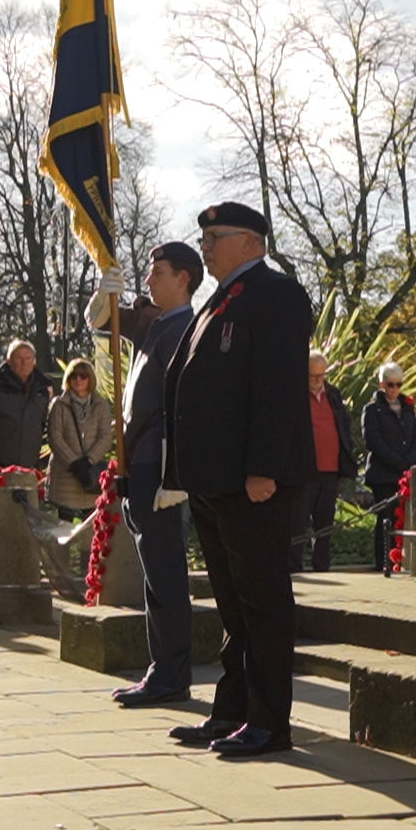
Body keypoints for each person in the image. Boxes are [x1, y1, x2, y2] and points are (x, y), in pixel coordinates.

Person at [162, 203, 313, 756]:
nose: (204, 245)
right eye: (201, 235)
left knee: (262, 599)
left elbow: (277, 389)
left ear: (252, 243)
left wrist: (264, 468)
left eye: (214, 236)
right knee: (232, 599)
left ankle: (271, 721)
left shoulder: (276, 295)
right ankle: (233, 711)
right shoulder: (219, 300)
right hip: (215, 480)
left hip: (253, 481)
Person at [88, 241, 206, 707]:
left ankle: (171, 674)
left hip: (159, 465)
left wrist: (174, 476)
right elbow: (99, 323)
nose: (149, 278)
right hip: (139, 462)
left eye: (159, 271)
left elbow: (186, 409)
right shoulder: (155, 322)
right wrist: (104, 296)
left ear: (183, 278)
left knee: (166, 574)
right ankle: (163, 669)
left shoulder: (187, 329)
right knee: (154, 572)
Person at [292, 350, 355, 572]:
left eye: (321, 375)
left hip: (330, 469)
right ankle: (294, 567)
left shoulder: (333, 395)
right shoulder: (295, 397)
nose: (318, 380)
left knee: (324, 523)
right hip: (304, 469)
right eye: (312, 376)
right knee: (298, 522)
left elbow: (343, 427)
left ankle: (321, 565)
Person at [361, 361, 416, 572]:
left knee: (404, 518)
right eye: (390, 385)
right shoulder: (372, 410)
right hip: (383, 474)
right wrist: (398, 461)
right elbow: (373, 441)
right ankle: (384, 561)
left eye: (398, 384)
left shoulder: (407, 407)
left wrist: (411, 459)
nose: (395, 389)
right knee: (385, 517)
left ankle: (401, 560)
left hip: (405, 472)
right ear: (382, 385)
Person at [0, 339, 55, 481]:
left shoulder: (42, 390)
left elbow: (44, 424)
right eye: (18, 358)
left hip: (29, 467)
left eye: (28, 358)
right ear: (9, 360)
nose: (23, 363)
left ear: (34, 361)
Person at [46, 357, 114, 518]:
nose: (78, 380)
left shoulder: (101, 405)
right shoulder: (59, 404)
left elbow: (105, 436)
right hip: (65, 474)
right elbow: (55, 437)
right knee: (64, 525)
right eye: (74, 376)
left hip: (90, 474)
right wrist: (75, 462)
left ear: (90, 378)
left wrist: (89, 460)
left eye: (83, 376)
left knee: (91, 526)